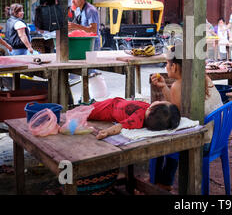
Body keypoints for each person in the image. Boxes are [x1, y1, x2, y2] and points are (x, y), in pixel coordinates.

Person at [150, 45, 223, 190]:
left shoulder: (179, 86)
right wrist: (164, 87)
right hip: (218, 136)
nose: (166, 67)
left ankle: (163, 182)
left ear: (175, 67)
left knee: (163, 139)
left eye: (167, 63)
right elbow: (179, 108)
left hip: (203, 142)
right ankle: (164, 181)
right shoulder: (203, 77)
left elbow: (177, 119)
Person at [87, 98, 181, 139]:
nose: (159, 100)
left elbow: (120, 126)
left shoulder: (137, 120)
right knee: (86, 109)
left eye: (160, 101)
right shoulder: (148, 112)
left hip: (106, 110)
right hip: (113, 102)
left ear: (151, 109)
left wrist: (107, 132)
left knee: (84, 112)